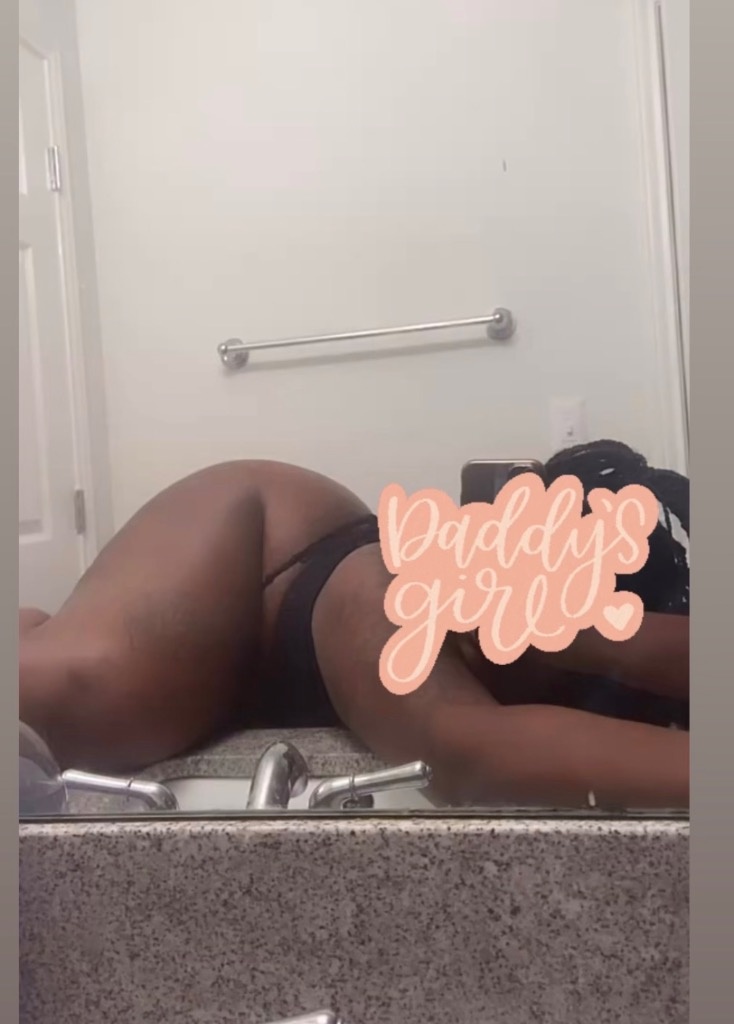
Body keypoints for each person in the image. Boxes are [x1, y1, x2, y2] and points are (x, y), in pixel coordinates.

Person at [19, 440, 689, 810]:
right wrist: (590, 633)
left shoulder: (551, 642)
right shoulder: (384, 600)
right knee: (90, 700)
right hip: (251, 552)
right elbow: (468, 755)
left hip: (300, 549)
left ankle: (35, 629)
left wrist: (592, 637)